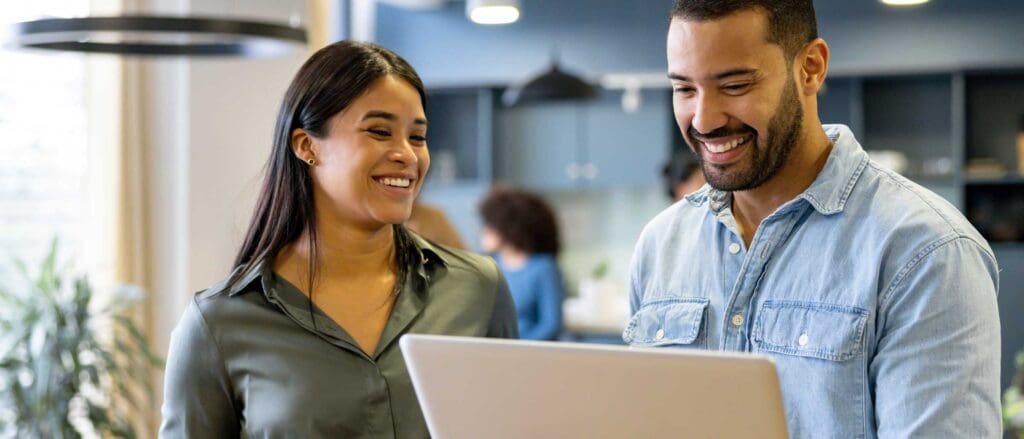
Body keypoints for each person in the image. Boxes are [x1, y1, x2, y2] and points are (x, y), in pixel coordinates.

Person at [624, 1, 1001, 437]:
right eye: (684, 90)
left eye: (735, 85)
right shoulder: (660, 245)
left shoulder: (926, 253)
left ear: (811, 68)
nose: (704, 119)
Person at [160, 41, 518, 438]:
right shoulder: (218, 324)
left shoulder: (477, 289)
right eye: (379, 131)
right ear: (307, 145)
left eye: (417, 137)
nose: (407, 155)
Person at [479, 188, 564, 341]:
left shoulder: (544, 268)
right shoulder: (487, 266)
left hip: (530, 355)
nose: (485, 231)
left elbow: (551, 325)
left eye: (491, 225)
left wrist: (518, 350)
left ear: (510, 228)